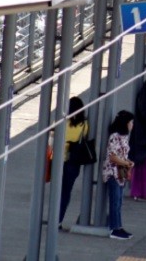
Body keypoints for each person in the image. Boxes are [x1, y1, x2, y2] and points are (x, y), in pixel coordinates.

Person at [103, 110, 134, 240]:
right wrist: (126, 163)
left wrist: (128, 162)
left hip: (120, 173)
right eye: (131, 122)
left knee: (119, 201)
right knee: (115, 201)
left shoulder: (124, 137)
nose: (132, 125)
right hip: (113, 173)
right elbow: (113, 157)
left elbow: (122, 155)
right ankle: (114, 228)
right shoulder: (114, 136)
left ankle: (119, 227)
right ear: (125, 123)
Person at [59, 96, 88, 230]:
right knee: (66, 193)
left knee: (57, 191)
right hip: (73, 162)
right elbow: (85, 139)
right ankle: (59, 220)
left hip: (58, 161)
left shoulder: (61, 121)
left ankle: (53, 217)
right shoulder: (84, 125)